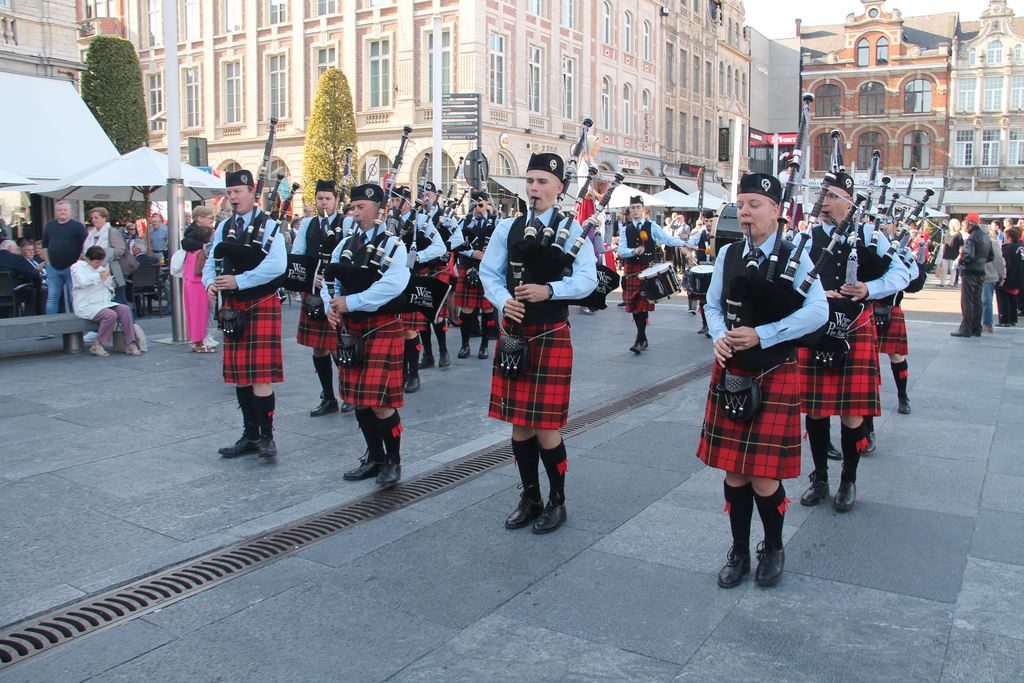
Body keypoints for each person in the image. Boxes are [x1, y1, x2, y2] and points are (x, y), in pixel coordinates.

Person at [698, 173, 828, 588]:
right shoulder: (728, 254)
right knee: (734, 472)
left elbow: (817, 311)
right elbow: (713, 304)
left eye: (754, 204)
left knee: (764, 476)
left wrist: (764, 334)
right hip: (733, 370)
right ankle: (738, 547)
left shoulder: (796, 255)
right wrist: (719, 336)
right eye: (741, 204)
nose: (746, 212)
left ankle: (772, 546)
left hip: (774, 370)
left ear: (776, 210)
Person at [480, 152, 598, 534]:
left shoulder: (573, 230)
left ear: (559, 188)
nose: (534, 188)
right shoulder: (507, 228)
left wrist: (550, 289)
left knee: (546, 427)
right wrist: (504, 300)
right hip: (515, 334)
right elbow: (489, 273)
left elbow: (589, 280)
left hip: (550, 334)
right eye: (530, 181)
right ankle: (530, 497)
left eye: (542, 182)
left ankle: (557, 501)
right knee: (519, 425)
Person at [798, 173, 910, 513]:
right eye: (823, 195)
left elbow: (904, 271)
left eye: (832, 195)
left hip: (855, 327)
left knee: (850, 413)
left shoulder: (869, 236)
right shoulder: (808, 236)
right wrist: (817, 293)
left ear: (849, 201)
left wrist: (867, 289)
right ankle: (819, 477)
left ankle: (848, 479)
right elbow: (794, 278)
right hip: (819, 328)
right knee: (816, 410)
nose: (825, 201)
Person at [324, 183, 410, 487]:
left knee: (381, 402)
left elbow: (393, 285)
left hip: (381, 326)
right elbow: (328, 279)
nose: (356, 212)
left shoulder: (394, 246)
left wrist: (352, 302)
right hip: (351, 328)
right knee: (359, 399)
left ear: (378, 210)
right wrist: (331, 306)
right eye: (354, 207)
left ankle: (394, 461)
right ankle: (374, 457)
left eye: (362, 207)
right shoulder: (344, 244)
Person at [203, 169, 287, 459]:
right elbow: (210, 263)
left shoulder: (270, 226)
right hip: (233, 309)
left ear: (253, 192)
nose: (232, 198)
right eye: (229, 193)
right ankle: (249, 435)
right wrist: (210, 284)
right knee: (240, 376)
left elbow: (277, 265)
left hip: (260, 303)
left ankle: (267, 437)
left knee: (261, 377)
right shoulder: (223, 226)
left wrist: (240, 281)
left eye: (237, 192)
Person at [292, 179, 349, 416]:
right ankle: (328, 397)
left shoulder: (345, 223)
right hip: (314, 293)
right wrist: (309, 278)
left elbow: (349, 254)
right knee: (318, 348)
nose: (323, 202)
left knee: (338, 347)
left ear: (336, 200)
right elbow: (297, 255)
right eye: (319, 198)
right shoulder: (307, 224)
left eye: (327, 198)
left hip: (336, 293)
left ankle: (348, 394)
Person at [390, 186, 445, 393]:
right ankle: (400, 372)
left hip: (413, 278)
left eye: (398, 201)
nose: (394, 205)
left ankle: (412, 374)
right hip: (391, 280)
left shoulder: (421, 220)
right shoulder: (389, 221)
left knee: (408, 329)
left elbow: (440, 247)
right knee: (395, 328)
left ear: (407, 202)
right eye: (393, 201)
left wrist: (417, 257)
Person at [617, 196, 690, 353]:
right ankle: (642, 338)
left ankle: (640, 338)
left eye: (638, 207)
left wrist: (684, 243)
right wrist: (633, 251)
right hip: (631, 270)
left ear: (643, 209)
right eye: (633, 207)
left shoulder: (652, 226)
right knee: (635, 306)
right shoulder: (625, 230)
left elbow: (668, 240)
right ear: (629, 210)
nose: (635, 210)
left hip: (646, 269)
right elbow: (621, 251)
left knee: (642, 306)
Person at [450, 189, 498, 360]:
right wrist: (471, 253)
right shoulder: (464, 222)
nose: (478, 208)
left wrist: (490, 254)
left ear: (487, 204)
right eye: (475, 204)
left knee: (487, 309)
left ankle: (484, 346)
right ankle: (465, 345)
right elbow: (454, 243)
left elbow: (502, 244)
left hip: (487, 270)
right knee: (467, 309)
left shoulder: (495, 221)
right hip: (469, 266)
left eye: (481, 204)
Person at [71, 246, 142, 357]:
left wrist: (109, 283)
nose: (98, 264)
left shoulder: (100, 269)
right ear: (88, 259)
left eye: (100, 262)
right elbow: (81, 282)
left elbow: (107, 286)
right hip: (87, 304)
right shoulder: (77, 267)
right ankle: (97, 344)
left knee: (124, 309)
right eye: (96, 262)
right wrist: (99, 276)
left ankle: (130, 342)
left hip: (103, 302)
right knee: (110, 315)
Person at [415, 180, 454, 370]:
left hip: (438, 268)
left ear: (435, 196)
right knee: (421, 314)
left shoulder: (445, 215)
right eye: (422, 194)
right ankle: (428, 355)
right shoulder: (415, 216)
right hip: (421, 269)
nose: (425, 197)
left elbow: (459, 238)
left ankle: (444, 351)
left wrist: (445, 247)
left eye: (428, 194)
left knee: (437, 313)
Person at [951, 213, 994, 338]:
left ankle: (966, 328)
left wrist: (961, 261)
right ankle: (976, 328)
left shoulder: (972, 237)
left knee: (967, 301)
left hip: (970, 272)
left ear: (970, 224)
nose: (964, 225)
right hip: (980, 271)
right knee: (977, 300)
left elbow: (968, 256)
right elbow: (991, 256)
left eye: (965, 223)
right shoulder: (986, 237)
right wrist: (980, 262)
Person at [41, 200, 87, 315]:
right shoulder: (50, 225)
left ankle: (76, 327)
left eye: (65, 210)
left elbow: (86, 246)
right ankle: (50, 328)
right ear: (55, 212)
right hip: (53, 268)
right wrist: (48, 263)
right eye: (59, 210)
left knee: (74, 297)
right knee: (52, 297)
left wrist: (79, 262)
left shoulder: (78, 226)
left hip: (73, 268)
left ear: (70, 212)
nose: (62, 212)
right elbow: (44, 246)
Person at [182, 208, 215, 353]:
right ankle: (199, 342)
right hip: (198, 283)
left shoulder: (192, 248)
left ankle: (197, 341)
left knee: (193, 314)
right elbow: (198, 270)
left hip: (190, 282)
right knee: (200, 314)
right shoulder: (201, 251)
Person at [0, 239, 43, 314]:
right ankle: (31, 316)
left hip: (4, 293)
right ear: (10, 248)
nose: (18, 251)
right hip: (14, 293)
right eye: (16, 249)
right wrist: (36, 271)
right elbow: (31, 275)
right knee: (33, 290)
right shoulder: (15, 258)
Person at [996, 227, 1023, 327]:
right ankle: (1012, 319)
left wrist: (1001, 276)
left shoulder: (1008, 248)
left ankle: (1004, 319)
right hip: (1019, 277)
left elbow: (1005, 264)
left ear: (1009, 237)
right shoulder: (1021, 247)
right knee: (1013, 298)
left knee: (1003, 298)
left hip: (1008, 277)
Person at [982, 223, 1006, 334]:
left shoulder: (993, 243)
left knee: (986, 301)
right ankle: (984, 324)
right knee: (984, 301)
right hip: (980, 274)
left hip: (989, 275)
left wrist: (1002, 275)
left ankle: (987, 324)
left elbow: (999, 261)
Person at [937, 220, 962, 287]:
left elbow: (961, 246)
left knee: (952, 269)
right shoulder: (947, 233)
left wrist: (960, 255)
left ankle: (952, 282)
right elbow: (944, 243)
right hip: (946, 253)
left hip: (954, 254)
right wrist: (942, 252)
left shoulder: (959, 235)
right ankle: (942, 282)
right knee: (944, 269)